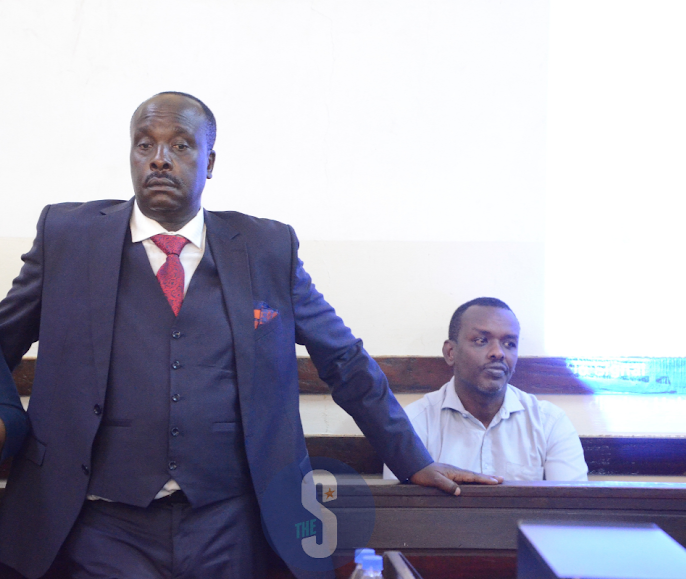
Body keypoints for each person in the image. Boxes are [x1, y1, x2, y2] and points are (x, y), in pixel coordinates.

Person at [0, 92, 498, 579]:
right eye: (144, 144)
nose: (159, 160)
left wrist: (412, 460)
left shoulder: (264, 248)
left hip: (228, 521)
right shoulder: (69, 236)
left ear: (209, 161)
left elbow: (342, 358)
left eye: (180, 146)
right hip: (100, 519)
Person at [384, 297, 588, 482]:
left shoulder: (549, 423)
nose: (498, 353)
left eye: (509, 343)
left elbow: (571, 509)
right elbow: (401, 511)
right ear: (450, 352)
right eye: (481, 341)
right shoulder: (415, 423)